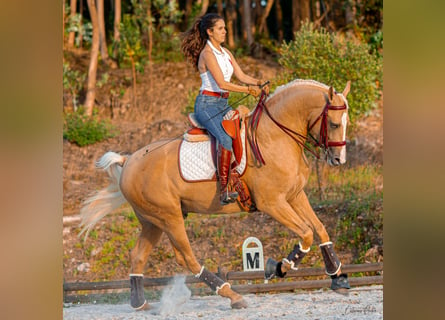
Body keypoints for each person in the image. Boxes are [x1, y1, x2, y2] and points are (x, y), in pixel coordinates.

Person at [181, 13, 269, 206]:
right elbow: (222, 83)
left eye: (225, 28)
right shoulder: (207, 54)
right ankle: (224, 189)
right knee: (225, 138)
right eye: (220, 28)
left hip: (222, 104)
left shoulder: (226, 53)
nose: (225, 31)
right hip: (207, 105)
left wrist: (259, 82)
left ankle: (240, 174)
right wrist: (248, 90)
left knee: (244, 131)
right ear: (210, 32)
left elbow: (241, 75)